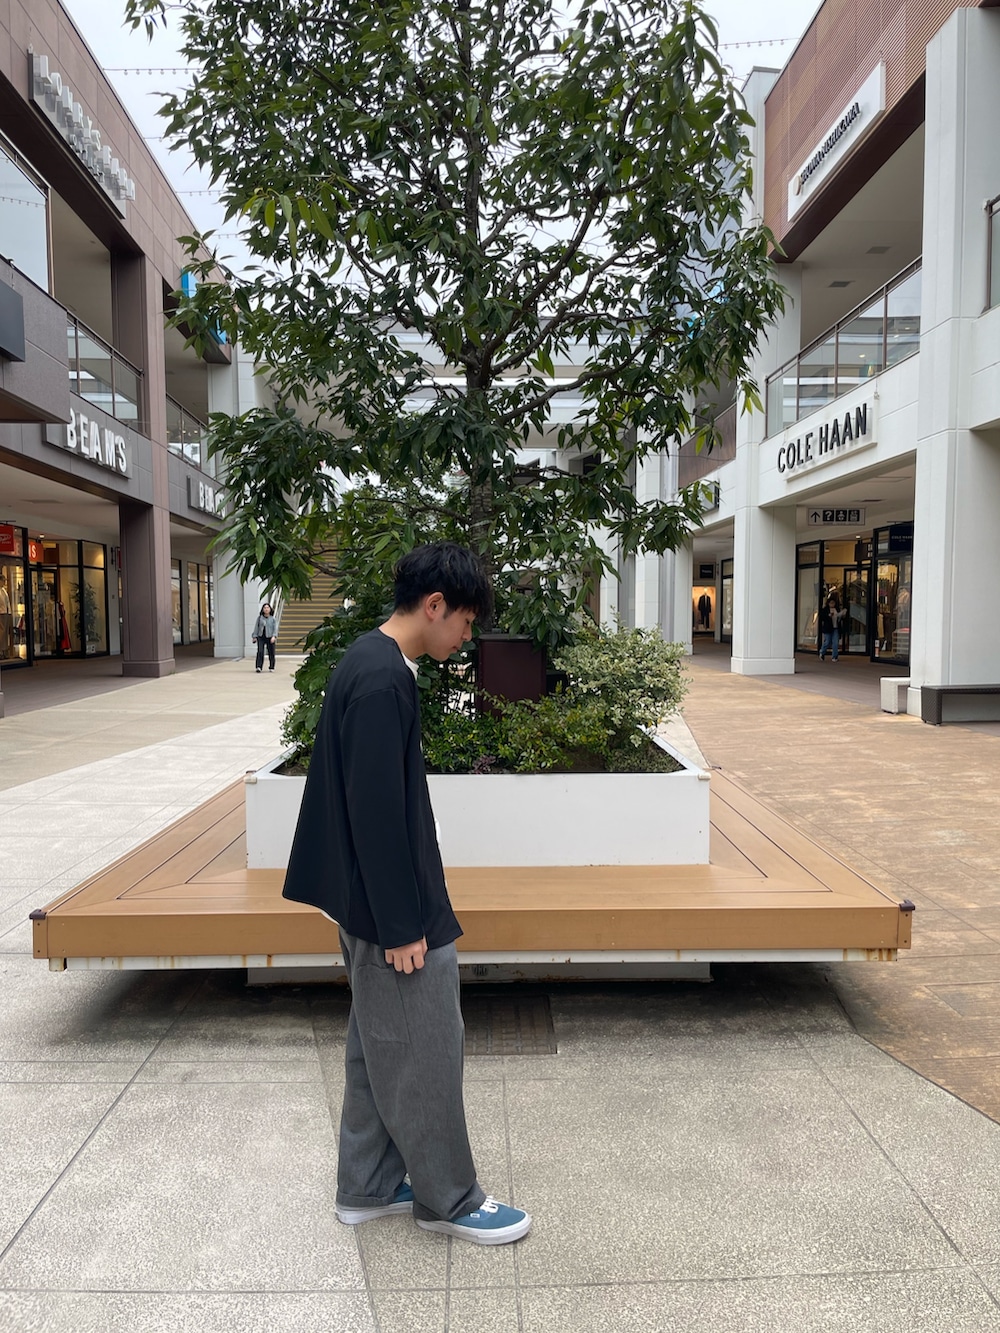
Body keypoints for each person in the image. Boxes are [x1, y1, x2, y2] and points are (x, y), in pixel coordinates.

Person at [282, 542, 531, 1246]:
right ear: (434, 605)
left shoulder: (372, 663)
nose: (467, 636)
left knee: (377, 1042)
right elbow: (376, 814)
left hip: (371, 899)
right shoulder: (382, 678)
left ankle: (366, 1184)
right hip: (388, 908)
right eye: (466, 621)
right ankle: (448, 1197)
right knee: (427, 1044)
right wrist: (401, 924)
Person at [252, 602, 277, 671]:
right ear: (262, 609)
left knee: (271, 652)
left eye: (267, 608)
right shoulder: (260, 618)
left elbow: (275, 628)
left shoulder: (273, 619)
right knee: (260, 651)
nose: (266, 609)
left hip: (270, 637)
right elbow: (256, 627)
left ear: (270, 609)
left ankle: (271, 667)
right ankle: (259, 666)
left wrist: (274, 636)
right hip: (261, 637)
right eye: (265, 608)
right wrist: (254, 636)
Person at [819, 597, 841, 661]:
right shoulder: (825, 609)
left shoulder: (837, 609)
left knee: (835, 642)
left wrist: (841, 616)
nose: (832, 604)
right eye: (831, 603)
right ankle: (822, 652)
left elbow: (839, 618)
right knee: (827, 642)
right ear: (828, 603)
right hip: (828, 628)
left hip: (835, 627)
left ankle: (834, 656)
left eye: (833, 603)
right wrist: (828, 616)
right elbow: (821, 617)